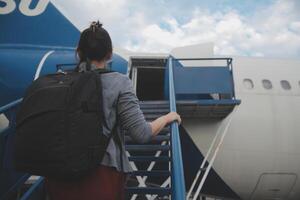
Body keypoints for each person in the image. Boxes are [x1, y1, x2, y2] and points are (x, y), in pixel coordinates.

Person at [45, 21, 181, 200]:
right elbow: (141, 134)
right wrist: (167, 117)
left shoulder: (61, 82)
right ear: (110, 54)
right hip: (100, 177)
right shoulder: (119, 82)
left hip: (58, 175)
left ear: (79, 53)